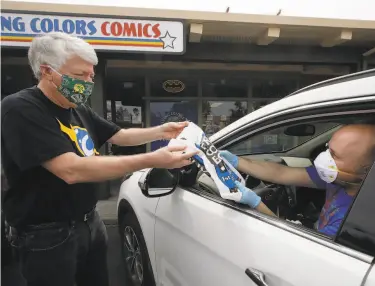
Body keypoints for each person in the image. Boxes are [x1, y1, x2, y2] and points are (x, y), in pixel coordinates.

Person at [1, 32, 197, 286]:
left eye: (92, 75)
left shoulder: (75, 107)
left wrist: (161, 131)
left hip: (89, 222)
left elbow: (119, 134)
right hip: (47, 235)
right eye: (80, 75)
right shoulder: (21, 109)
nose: (88, 82)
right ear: (48, 72)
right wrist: (152, 159)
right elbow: (71, 169)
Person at [220, 124, 375, 236]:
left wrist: (256, 203)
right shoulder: (339, 179)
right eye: (327, 148)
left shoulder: (356, 218)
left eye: (334, 155)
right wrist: (236, 161)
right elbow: (281, 173)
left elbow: (307, 249)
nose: (324, 157)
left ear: (367, 170)